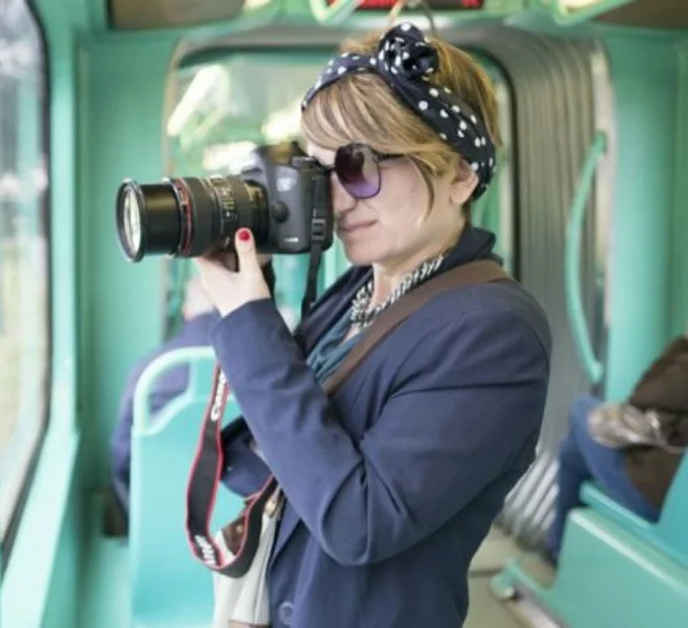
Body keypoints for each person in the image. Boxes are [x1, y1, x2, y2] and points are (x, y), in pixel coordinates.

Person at [192, 23, 552, 628]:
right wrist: (259, 290)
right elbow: (287, 453)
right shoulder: (364, 284)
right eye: (322, 172)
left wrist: (249, 325)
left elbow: (359, 523)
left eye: (359, 166)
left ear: (460, 175)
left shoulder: (496, 332)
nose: (337, 199)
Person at [545, 330, 688, 564]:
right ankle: (557, 547)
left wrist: (683, 342)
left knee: (582, 407)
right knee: (572, 453)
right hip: (671, 494)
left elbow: (640, 398)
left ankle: (557, 549)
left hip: (654, 497)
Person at [108, 274, 217, 522]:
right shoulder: (264, 368)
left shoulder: (151, 369)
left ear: (187, 312)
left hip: (161, 520)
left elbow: (121, 458)